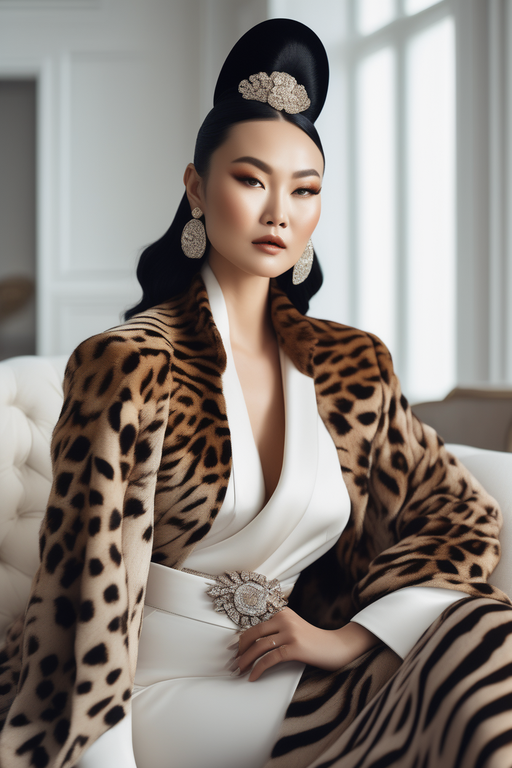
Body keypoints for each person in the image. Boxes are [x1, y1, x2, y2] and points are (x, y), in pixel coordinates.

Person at [1, 17, 512, 768]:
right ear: (196, 188)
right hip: (156, 690)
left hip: (298, 667)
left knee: (488, 644)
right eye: (251, 179)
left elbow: (461, 514)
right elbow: (86, 593)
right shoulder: (128, 365)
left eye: (305, 190)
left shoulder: (352, 367)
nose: (280, 212)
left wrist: (351, 638)